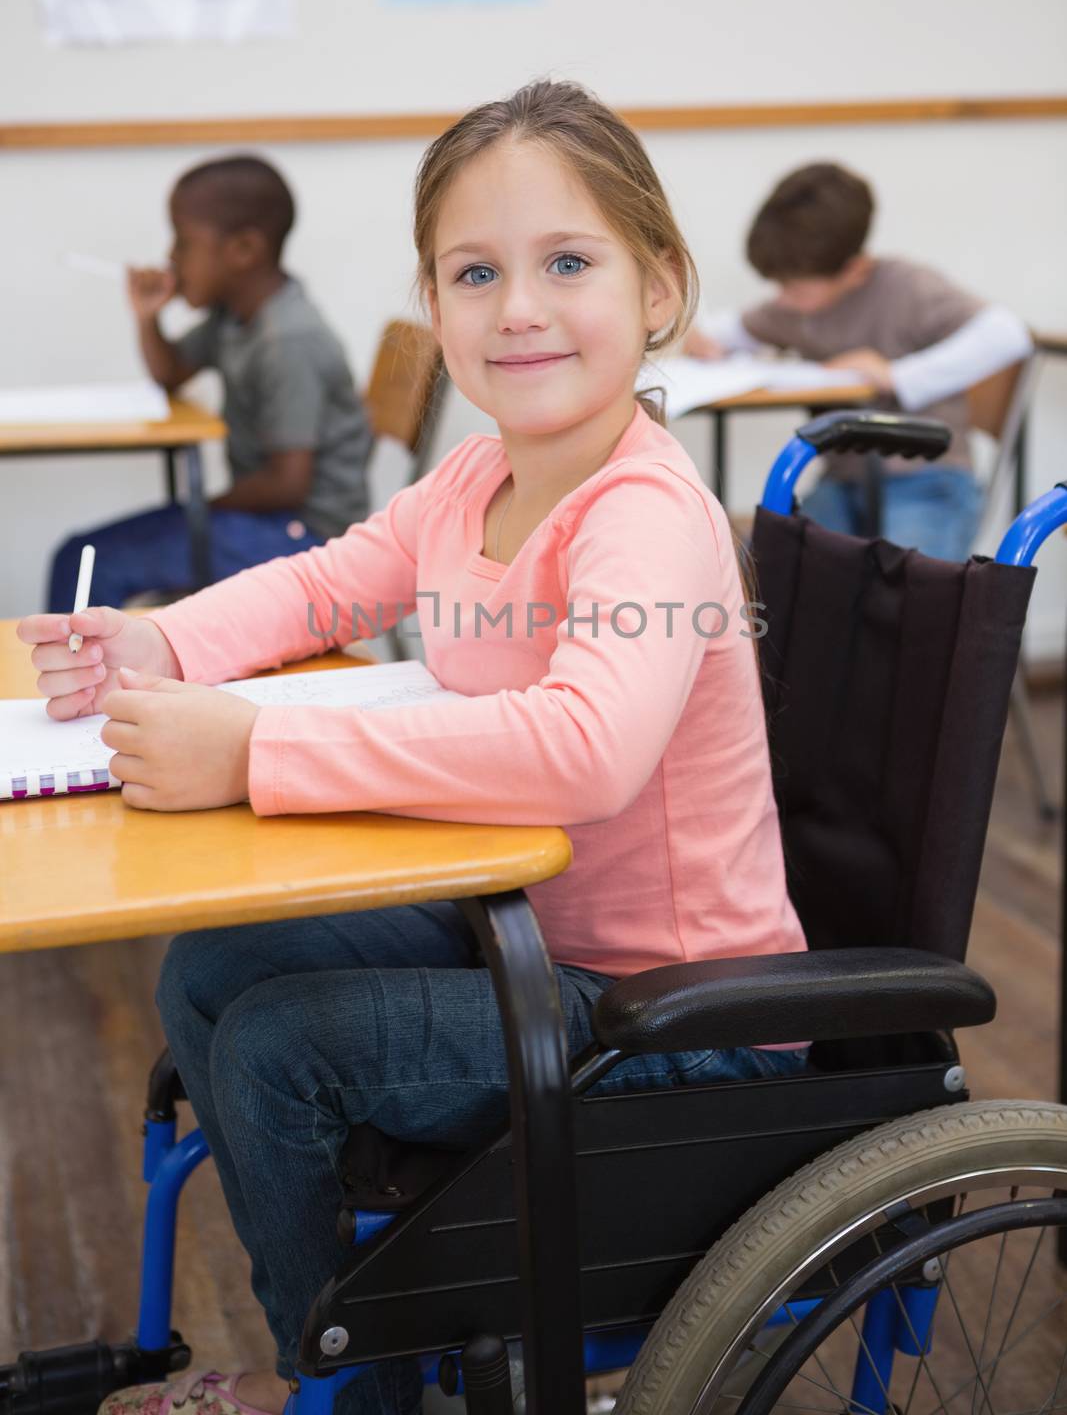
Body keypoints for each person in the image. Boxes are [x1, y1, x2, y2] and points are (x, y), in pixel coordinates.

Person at [18, 82, 807, 1415]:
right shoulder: (474, 479)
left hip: (668, 1017)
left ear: (657, 285)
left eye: (567, 262)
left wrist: (255, 752)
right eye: (474, 272)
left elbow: (585, 752)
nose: (517, 307)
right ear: (433, 307)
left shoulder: (645, 512)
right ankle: (349, 1353)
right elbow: (329, 583)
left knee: (281, 1049)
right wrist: (157, 648)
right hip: (526, 934)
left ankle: (336, 1385)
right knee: (213, 973)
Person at [47, 155, 373, 612]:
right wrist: (148, 316)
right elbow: (172, 372)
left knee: (87, 561)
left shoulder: (289, 341)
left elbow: (287, 484)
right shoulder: (235, 316)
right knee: (82, 555)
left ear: (242, 250)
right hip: (269, 519)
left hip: (306, 537)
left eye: (182, 243)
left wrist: (199, 508)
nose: (171, 259)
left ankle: (78, 682)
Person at [685, 162, 1032, 560]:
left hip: (927, 479)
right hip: (845, 482)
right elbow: (726, 332)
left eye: (793, 286)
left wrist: (896, 375)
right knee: (777, 567)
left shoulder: (907, 287)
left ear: (854, 270)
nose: (781, 297)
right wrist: (705, 341)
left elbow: (1008, 333)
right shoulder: (796, 308)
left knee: (910, 594)